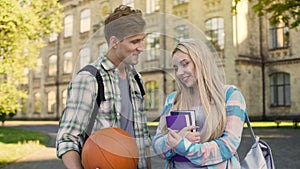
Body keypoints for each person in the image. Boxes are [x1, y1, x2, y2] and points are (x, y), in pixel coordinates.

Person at [56, 5, 151, 169]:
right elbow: (67, 139)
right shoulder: (89, 79)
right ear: (114, 42)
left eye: (142, 40)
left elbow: (142, 138)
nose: (142, 47)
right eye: (135, 41)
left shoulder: (137, 80)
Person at [152, 39, 247, 169]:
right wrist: (172, 140)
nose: (179, 72)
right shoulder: (173, 99)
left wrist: (184, 146)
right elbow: (157, 143)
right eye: (175, 68)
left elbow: (228, 145)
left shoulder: (230, 95)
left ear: (201, 62)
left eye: (185, 64)